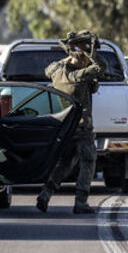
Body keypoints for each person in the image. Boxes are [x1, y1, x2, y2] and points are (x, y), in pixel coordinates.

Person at [37, 31, 103, 214]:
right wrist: (92, 52)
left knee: (64, 163)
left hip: (64, 127)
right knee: (88, 162)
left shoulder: (57, 73)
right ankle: (81, 201)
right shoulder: (79, 76)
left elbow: (48, 69)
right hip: (82, 127)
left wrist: (68, 57)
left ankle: (45, 193)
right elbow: (99, 68)